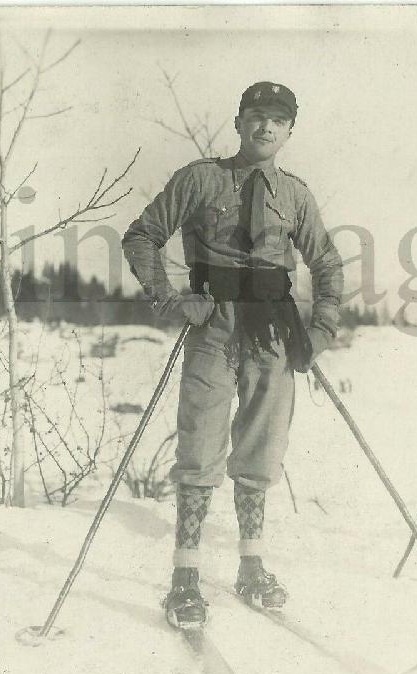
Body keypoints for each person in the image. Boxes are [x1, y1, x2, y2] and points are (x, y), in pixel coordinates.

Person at [122, 82, 343, 629]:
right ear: (239, 122)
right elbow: (141, 236)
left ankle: (251, 566)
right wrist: (172, 299)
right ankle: (185, 576)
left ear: (289, 131)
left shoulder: (295, 194)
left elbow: (327, 263)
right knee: (199, 447)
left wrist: (322, 329)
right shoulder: (201, 178)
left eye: (278, 120)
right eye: (257, 116)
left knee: (262, 450)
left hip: (273, 329)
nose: (266, 127)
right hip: (214, 326)